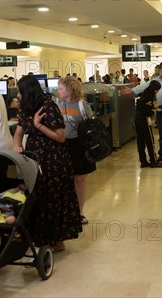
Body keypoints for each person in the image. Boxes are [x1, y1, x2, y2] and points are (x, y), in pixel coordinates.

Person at [13, 75, 81, 251]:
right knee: (39, 198)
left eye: (20, 92)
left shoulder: (48, 106)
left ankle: (57, 240)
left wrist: (38, 126)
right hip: (35, 158)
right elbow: (18, 132)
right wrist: (16, 145)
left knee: (54, 198)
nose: (18, 95)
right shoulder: (25, 108)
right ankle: (42, 237)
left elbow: (60, 136)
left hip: (53, 158)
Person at [57, 76, 97, 225]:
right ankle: (67, 211)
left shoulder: (82, 105)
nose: (58, 91)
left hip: (78, 146)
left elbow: (91, 126)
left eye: (61, 89)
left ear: (70, 89)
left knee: (79, 180)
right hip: (62, 145)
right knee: (65, 180)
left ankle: (79, 213)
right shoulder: (58, 103)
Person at [135, 80, 161, 168]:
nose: (157, 92)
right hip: (144, 120)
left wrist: (152, 107)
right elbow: (146, 111)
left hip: (137, 118)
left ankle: (143, 161)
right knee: (149, 140)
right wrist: (153, 111)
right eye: (157, 90)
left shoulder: (145, 93)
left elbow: (142, 106)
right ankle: (153, 161)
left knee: (140, 141)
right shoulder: (150, 97)